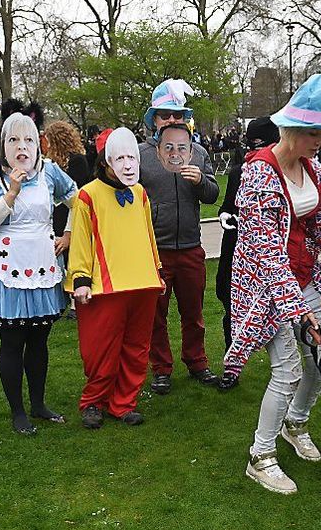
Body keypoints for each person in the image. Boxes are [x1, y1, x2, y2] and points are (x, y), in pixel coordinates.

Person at [222, 67, 321, 495]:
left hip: (304, 278)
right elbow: (265, 254)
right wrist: (298, 313)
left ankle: (294, 425)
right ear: (291, 129)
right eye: (314, 134)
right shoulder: (258, 175)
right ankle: (260, 456)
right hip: (264, 286)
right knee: (286, 371)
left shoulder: (316, 171)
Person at [0, 113, 77, 434]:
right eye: (13, 140)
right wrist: (10, 193)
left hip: (43, 263)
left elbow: (79, 201)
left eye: (28, 139)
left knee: (40, 339)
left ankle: (39, 404)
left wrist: (67, 233)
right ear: (2, 144)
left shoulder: (50, 173)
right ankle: (18, 412)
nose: (22, 147)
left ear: (38, 144)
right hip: (5, 268)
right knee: (12, 340)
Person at [68, 128, 163, 428]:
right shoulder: (88, 195)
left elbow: (149, 234)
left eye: (131, 157)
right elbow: (81, 239)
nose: (126, 164)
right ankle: (94, 401)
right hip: (104, 287)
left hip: (142, 282)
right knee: (100, 350)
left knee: (137, 348)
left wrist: (156, 270)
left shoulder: (141, 193)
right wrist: (81, 278)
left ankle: (123, 403)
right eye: (120, 157)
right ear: (106, 161)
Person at [138, 79, 220, 394]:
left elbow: (212, 194)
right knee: (155, 316)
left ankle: (197, 362)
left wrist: (201, 181)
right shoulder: (140, 155)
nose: (172, 120)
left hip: (190, 247)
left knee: (194, 312)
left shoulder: (197, 152)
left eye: (178, 115)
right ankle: (161, 369)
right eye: (165, 115)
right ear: (153, 120)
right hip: (153, 250)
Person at [216, 116, 280, 350]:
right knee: (231, 305)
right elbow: (228, 206)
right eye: (252, 145)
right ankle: (232, 357)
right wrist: (225, 216)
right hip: (235, 247)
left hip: (269, 252)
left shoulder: (280, 174)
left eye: (261, 145)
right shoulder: (237, 172)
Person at [44, 120, 93, 279]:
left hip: (70, 223)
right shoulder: (49, 165)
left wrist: (68, 234)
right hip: (54, 223)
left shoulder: (77, 161)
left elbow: (78, 201)